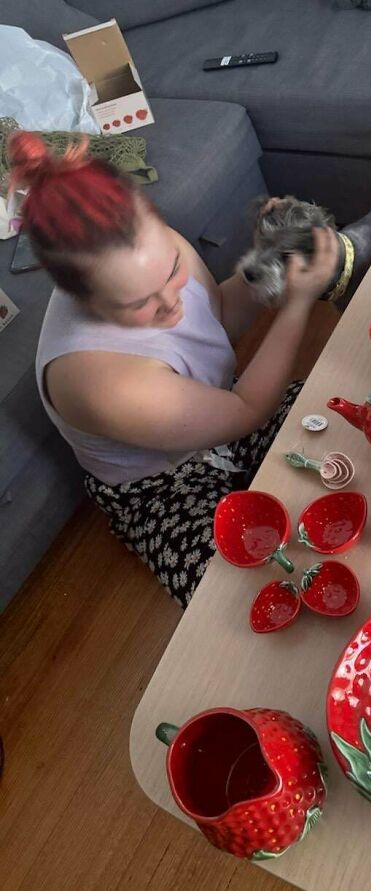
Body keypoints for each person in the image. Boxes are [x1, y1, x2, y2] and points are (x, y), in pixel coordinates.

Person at [9, 132, 339, 607]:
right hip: (164, 487)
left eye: (171, 273)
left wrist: (273, 260)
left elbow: (214, 318)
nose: (170, 304)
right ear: (81, 298)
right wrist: (297, 305)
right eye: (139, 304)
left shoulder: (164, 247)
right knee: (248, 599)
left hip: (219, 414)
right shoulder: (99, 381)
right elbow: (246, 409)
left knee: (346, 421)